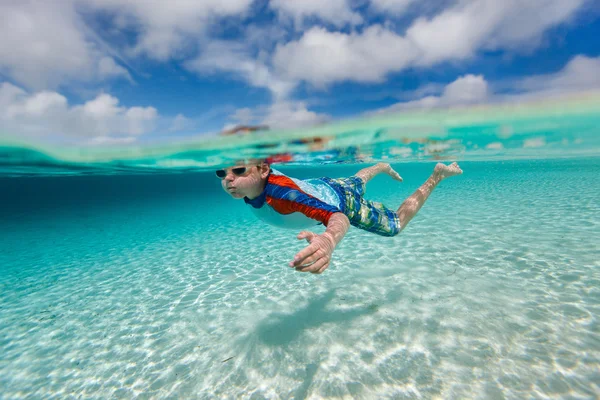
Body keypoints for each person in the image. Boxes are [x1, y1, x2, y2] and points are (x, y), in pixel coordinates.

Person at [216, 161, 463, 274]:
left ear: (263, 170)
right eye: (222, 172)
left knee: (395, 225)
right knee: (358, 180)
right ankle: (381, 165)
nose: (228, 179)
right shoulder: (255, 182)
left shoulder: (283, 195)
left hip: (342, 201)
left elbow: (337, 216)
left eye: (238, 171)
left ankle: (437, 175)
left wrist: (328, 240)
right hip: (325, 185)